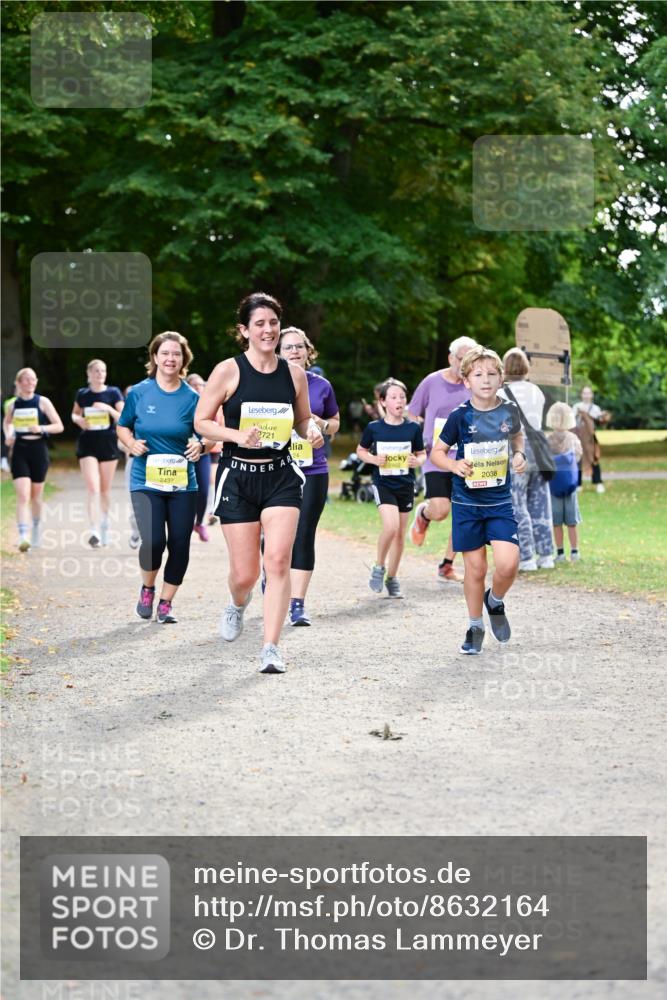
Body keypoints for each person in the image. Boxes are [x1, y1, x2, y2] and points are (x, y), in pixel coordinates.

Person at [194, 292, 324, 675]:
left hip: (281, 475)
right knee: (246, 574)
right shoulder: (228, 371)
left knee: (279, 560)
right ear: (244, 330)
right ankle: (237, 603)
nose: (268, 330)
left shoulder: (294, 374)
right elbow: (203, 422)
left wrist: (312, 430)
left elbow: (303, 420)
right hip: (238, 477)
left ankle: (270, 646)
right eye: (259, 324)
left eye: (273, 322)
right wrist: (235, 435)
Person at [430, 347, 527, 655]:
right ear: (466, 381)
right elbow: (437, 452)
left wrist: (520, 454)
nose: (485, 380)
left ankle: (494, 600)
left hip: (499, 502)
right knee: (475, 570)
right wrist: (454, 465)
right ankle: (475, 626)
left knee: (509, 564)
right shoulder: (460, 416)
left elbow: (518, 437)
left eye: (491, 374)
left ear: (501, 378)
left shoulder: (509, 411)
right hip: (467, 504)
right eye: (478, 374)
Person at [117, 332, 204, 624]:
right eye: (165, 353)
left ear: (183, 359)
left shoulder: (192, 397)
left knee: (180, 543)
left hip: (182, 483)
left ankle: (166, 603)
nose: (170, 359)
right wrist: (131, 444)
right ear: (155, 357)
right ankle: (148, 587)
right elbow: (123, 427)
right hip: (145, 479)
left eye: (176, 354)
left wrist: (200, 444)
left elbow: (206, 432)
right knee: (154, 541)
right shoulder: (140, 393)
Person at [278, 327, 340, 626]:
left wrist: (321, 424)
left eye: (299, 346)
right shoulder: (268, 383)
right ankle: (272, 577)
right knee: (276, 536)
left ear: (307, 350)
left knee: (304, 533)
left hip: (313, 468)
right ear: (278, 351)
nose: (294, 351)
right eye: (287, 347)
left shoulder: (321, 385)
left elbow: (335, 423)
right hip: (275, 467)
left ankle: (297, 603)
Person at [407, 336, 477, 582]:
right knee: (441, 510)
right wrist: (414, 442)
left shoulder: (474, 385)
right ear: (451, 358)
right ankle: (424, 514)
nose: (465, 365)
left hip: (465, 459)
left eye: (471, 361)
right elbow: (412, 413)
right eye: (462, 359)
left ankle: (446, 565)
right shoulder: (432, 382)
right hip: (434, 456)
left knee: (464, 513)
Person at [357, 379, 426, 599]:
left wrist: (418, 461)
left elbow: (421, 453)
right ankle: (379, 566)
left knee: (399, 535)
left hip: (405, 484)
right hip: (383, 483)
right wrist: (374, 459)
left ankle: (393, 578)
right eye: (394, 397)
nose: (399, 401)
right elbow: (361, 451)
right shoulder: (374, 428)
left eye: (402, 397)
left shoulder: (412, 428)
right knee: (391, 526)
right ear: (383, 402)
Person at [499, 348, 554, 571]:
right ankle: (546, 555)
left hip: (516, 449)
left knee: (517, 503)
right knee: (540, 502)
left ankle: (527, 556)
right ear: (526, 367)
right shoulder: (536, 391)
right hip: (539, 451)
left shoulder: (501, 394)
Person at [2, 367, 64, 551]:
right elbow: (7, 423)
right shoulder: (14, 405)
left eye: (33, 380)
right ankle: (23, 536)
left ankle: (36, 529)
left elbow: (59, 426)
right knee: (23, 495)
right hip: (20, 450)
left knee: (36, 495)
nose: (30, 383)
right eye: (26, 380)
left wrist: (42, 429)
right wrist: (8, 436)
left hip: (38, 450)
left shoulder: (42, 402)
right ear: (19, 383)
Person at [71, 359, 124, 547]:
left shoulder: (113, 392)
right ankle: (93, 531)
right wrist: (79, 421)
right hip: (87, 443)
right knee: (93, 488)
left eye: (103, 371)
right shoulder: (82, 394)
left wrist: (108, 408)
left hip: (108, 443)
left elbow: (124, 417)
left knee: (104, 490)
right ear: (89, 373)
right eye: (96, 371)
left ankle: (104, 527)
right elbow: (74, 414)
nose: (100, 374)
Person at [545, 402, 583, 562]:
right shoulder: (572, 438)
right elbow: (579, 455)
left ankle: (560, 553)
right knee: (572, 521)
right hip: (570, 484)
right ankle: (575, 551)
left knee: (556, 521)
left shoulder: (549, 439)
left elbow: (544, 460)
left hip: (554, 485)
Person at [186, 373, 212, 542]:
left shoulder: (210, 404)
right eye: (193, 384)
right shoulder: (181, 403)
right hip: (183, 454)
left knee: (203, 491)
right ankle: (184, 526)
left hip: (203, 452)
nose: (197, 387)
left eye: (200, 384)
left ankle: (199, 522)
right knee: (184, 493)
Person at [573, 386, 610, 493]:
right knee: (578, 459)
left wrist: (602, 417)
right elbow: (571, 420)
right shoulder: (577, 406)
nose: (586, 395)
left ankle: (598, 482)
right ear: (581, 395)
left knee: (594, 458)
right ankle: (578, 484)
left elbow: (599, 421)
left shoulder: (595, 408)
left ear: (592, 395)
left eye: (588, 393)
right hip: (579, 436)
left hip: (590, 438)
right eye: (584, 393)